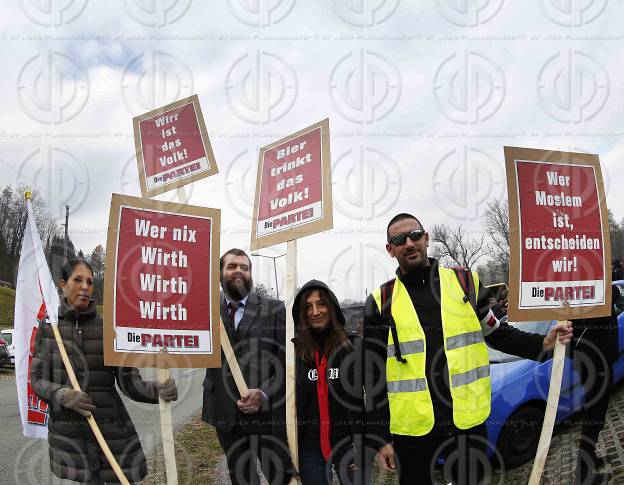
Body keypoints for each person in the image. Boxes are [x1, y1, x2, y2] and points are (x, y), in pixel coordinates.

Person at [363, 213, 573, 485]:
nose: (409, 243)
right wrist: (381, 439)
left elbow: (497, 333)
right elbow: (373, 374)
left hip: (467, 424)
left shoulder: (466, 284)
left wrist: (541, 344)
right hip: (413, 433)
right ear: (390, 250)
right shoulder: (380, 302)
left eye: (415, 235)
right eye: (399, 239)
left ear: (426, 238)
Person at [31, 258, 178, 484]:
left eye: (89, 282)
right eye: (77, 280)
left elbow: (129, 382)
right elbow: (37, 379)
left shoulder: (110, 329)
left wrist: (157, 391)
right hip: (70, 438)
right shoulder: (49, 328)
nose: (85, 287)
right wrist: (62, 395)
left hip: (111, 435)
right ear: (63, 284)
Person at [201, 248, 293, 485]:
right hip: (224, 411)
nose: (239, 271)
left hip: (267, 414)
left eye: (245, 267)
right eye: (232, 266)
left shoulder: (274, 309)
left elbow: (287, 363)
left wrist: (263, 394)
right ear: (220, 274)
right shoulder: (205, 312)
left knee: (279, 475)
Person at [292, 280, 363, 485]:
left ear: (331, 307)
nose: (315, 311)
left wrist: (364, 445)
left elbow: (374, 399)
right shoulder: (292, 353)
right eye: (308, 306)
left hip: (348, 445)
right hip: (309, 449)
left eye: (321, 304)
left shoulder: (353, 347)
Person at [572, 284, 620, 485]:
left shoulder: (584, 291)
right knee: (595, 417)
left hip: (592, 362)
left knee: (595, 414)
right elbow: (613, 294)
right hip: (594, 364)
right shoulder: (592, 293)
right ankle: (583, 474)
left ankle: (589, 458)